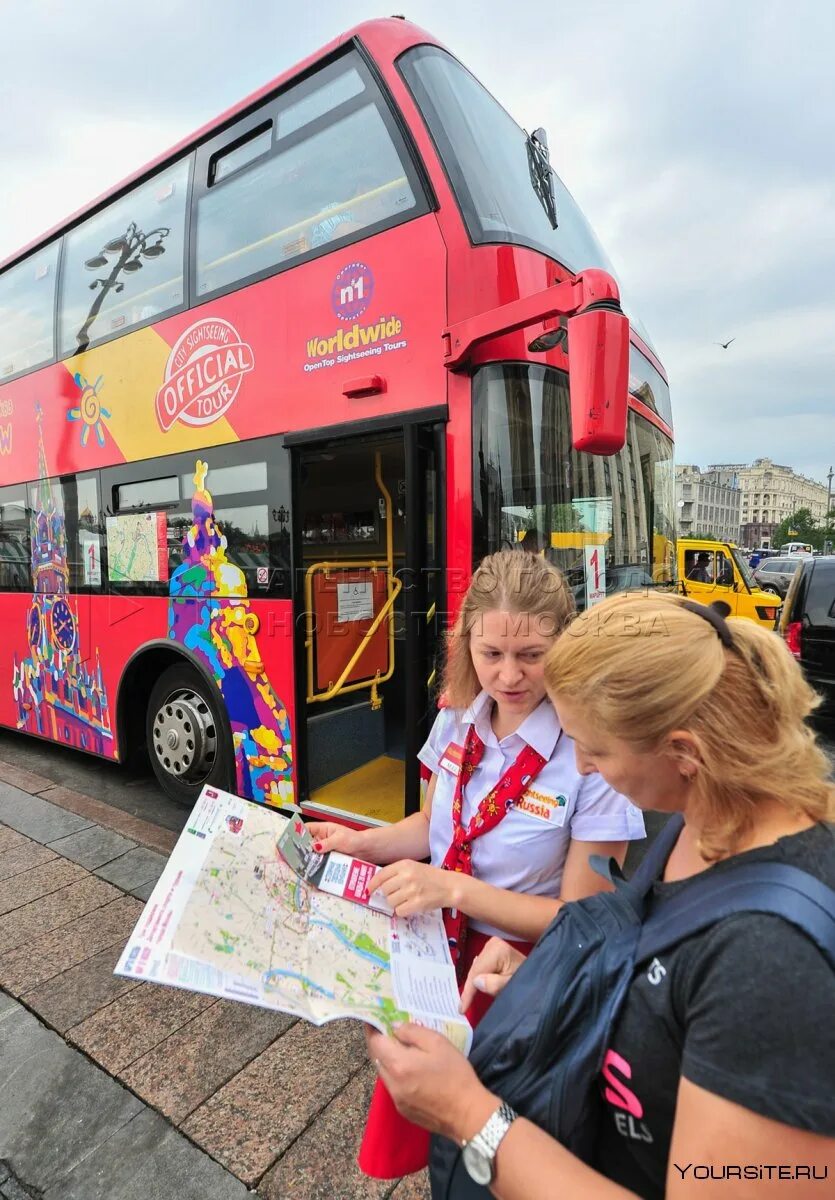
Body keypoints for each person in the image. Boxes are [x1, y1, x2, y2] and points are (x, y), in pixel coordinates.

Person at [368, 592, 835, 1198]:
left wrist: (467, 1114)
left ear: (684, 751)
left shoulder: (775, 968)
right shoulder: (712, 816)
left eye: (596, 748)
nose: (582, 767)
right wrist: (566, 978)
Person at [307, 550, 645, 1179]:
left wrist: (454, 889)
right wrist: (356, 843)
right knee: (434, 1142)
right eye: (491, 655)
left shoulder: (592, 754)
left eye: (531, 656)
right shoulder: (456, 717)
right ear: (468, 646)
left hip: (512, 978)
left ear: (564, 649)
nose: (509, 676)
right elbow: (431, 830)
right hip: (434, 953)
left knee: (506, 1157)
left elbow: (584, 922)